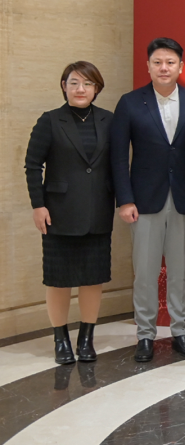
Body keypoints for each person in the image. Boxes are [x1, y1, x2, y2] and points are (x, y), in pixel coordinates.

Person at [110, 37, 185, 362]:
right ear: (148, 66)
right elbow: (118, 156)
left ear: (181, 67)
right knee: (145, 273)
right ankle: (145, 335)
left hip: (184, 200)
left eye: (170, 62)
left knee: (180, 271)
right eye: (157, 62)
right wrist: (125, 200)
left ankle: (180, 331)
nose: (164, 68)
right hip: (144, 201)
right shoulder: (130, 103)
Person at [25, 62, 114, 364]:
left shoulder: (109, 120)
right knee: (59, 279)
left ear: (96, 88)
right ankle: (60, 340)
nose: (80, 89)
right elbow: (32, 165)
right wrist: (38, 205)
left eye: (87, 83)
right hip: (58, 213)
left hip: (98, 211)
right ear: (64, 86)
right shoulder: (50, 120)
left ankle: (86, 339)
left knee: (92, 279)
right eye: (74, 82)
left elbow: (116, 165)